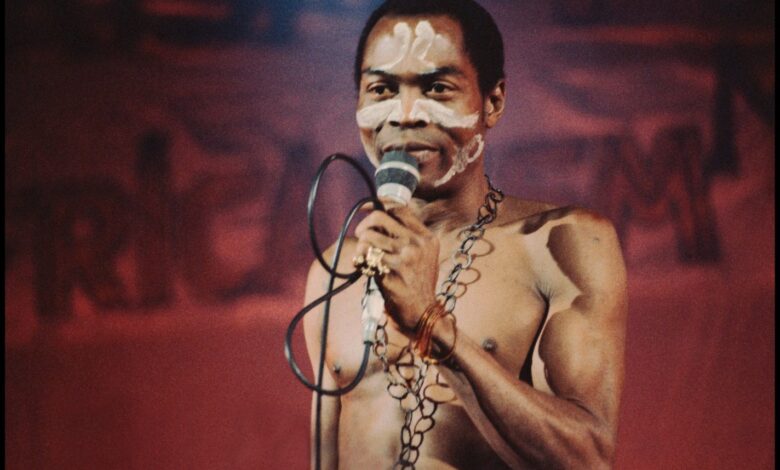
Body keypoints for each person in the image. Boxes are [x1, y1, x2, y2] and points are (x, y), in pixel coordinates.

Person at [302, 1, 628, 468]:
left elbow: (588, 458)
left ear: (492, 102)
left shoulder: (561, 244)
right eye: (382, 89)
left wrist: (433, 326)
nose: (405, 114)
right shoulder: (333, 271)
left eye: (437, 88)